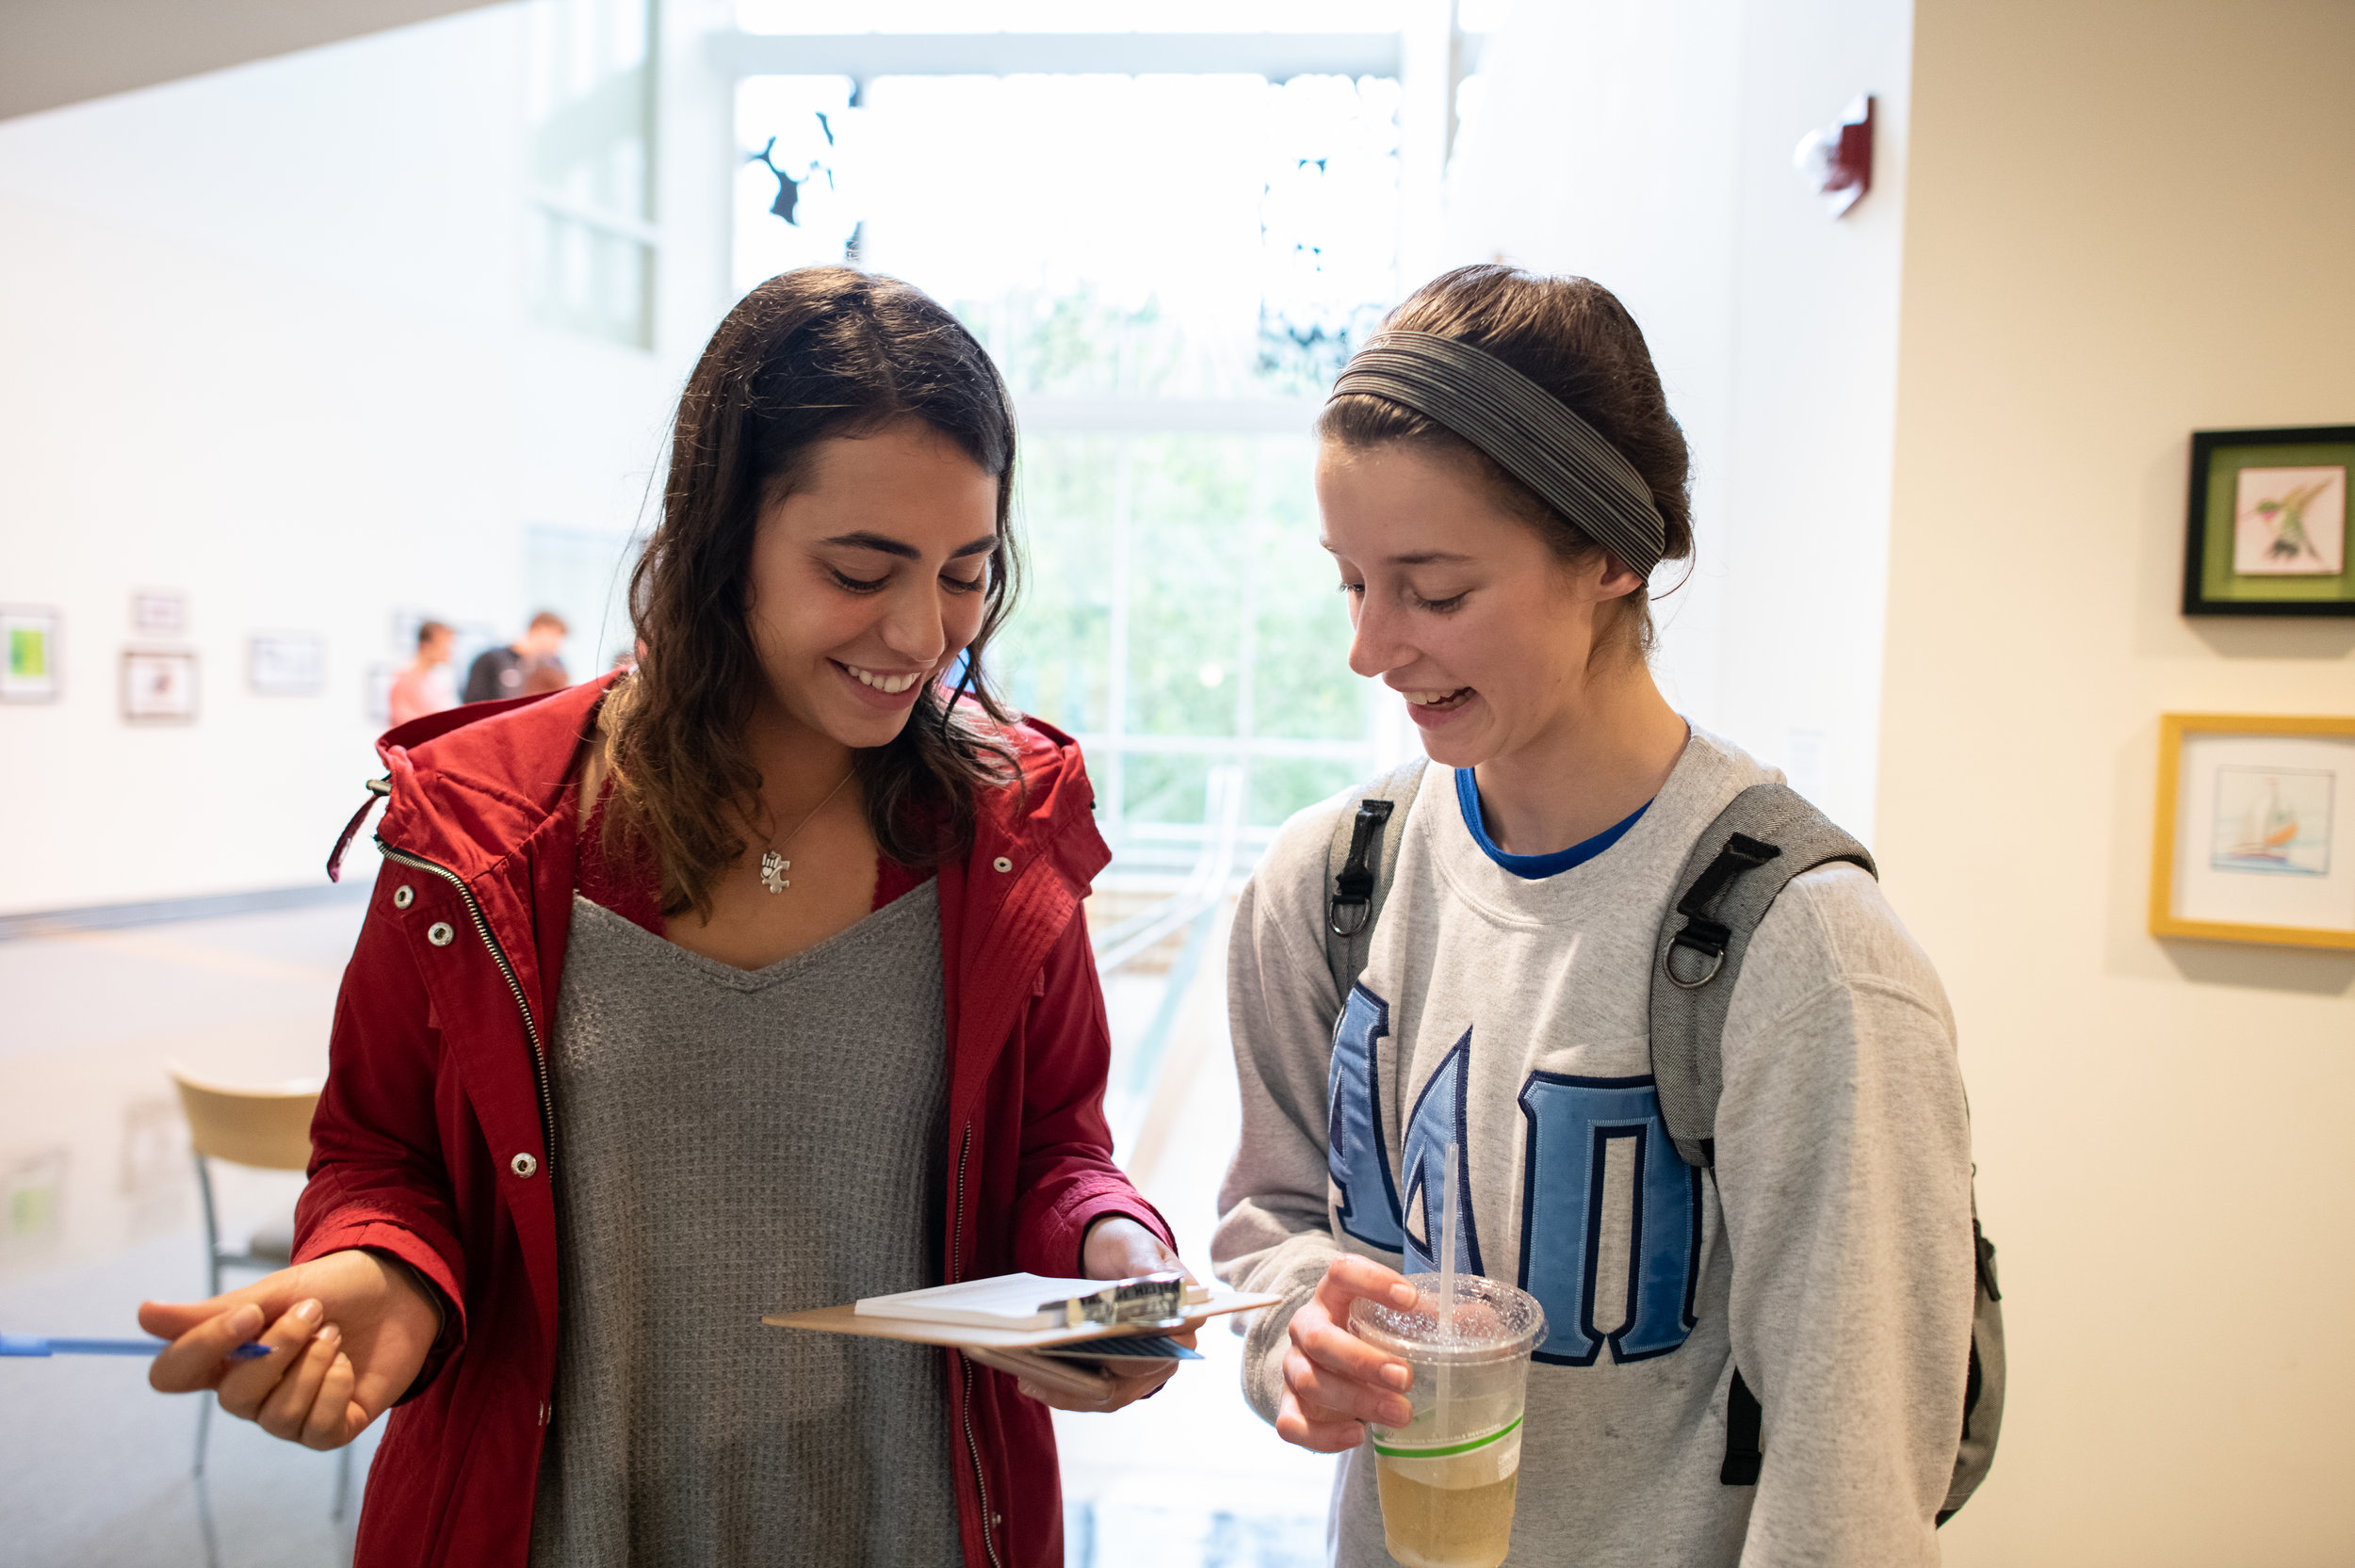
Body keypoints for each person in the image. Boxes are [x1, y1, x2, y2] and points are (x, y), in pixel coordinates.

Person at [140, 267, 1189, 1568]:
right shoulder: (485, 830)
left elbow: (1054, 1147)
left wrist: (1112, 1251)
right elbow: (381, 1156)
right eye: (861, 569)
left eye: (968, 573)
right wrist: (385, 1277)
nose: (923, 633)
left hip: (911, 1518)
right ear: (721, 536)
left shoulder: (1005, 831)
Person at [1213, 266, 1976, 1565]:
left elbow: (1851, 1488)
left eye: (1435, 591)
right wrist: (1300, 1336)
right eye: (1352, 582)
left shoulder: (1805, 956)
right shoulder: (1329, 884)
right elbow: (1272, 1227)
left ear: (1611, 554)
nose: (1370, 646)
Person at [462, 610, 568, 703]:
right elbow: (474, 704)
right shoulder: (491, 659)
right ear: (539, 630)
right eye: (555, 638)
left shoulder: (553, 665)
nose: (557, 646)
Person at [385, 620, 456, 728]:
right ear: (426, 645)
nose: (449, 650)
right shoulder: (405, 678)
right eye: (444, 644)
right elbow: (405, 724)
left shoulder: (433, 680)